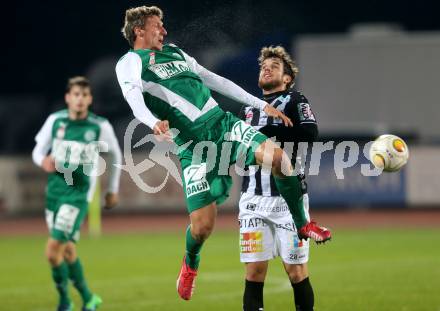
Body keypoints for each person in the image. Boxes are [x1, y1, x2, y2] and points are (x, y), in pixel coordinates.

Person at [115, 5, 331, 301]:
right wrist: (152, 122)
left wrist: (260, 104)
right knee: (202, 227)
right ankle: (190, 263)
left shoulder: (176, 53)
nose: (164, 31)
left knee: (279, 159)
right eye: (157, 26)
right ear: (139, 30)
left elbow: (214, 80)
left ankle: (303, 223)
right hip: (193, 148)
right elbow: (133, 96)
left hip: (222, 124)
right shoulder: (129, 62)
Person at [32, 76, 122, 311]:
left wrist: (112, 189)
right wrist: (43, 161)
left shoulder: (99, 126)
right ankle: (89, 298)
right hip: (54, 191)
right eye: (76, 95)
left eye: (84, 95)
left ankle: (64, 302)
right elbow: (38, 149)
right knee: (68, 250)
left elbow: (115, 155)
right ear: (68, 98)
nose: (80, 99)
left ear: (90, 99)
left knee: (53, 252)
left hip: (79, 194)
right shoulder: (55, 121)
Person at [239, 46, 318, 311]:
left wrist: (263, 138)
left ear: (287, 78)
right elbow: (238, 149)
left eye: (274, 66)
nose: (267, 68)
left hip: (288, 202)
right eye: (264, 66)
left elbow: (309, 132)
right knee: (254, 272)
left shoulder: (296, 100)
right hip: (252, 200)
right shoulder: (248, 107)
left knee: (295, 271)